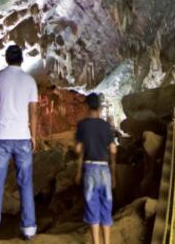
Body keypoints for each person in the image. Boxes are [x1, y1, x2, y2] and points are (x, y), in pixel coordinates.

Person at [0, 45, 39, 240]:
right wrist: (33, 135)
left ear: (6, 59)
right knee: (25, 182)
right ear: (21, 60)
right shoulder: (30, 81)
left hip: (1, 136)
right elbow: (33, 112)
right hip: (22, 136)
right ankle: (29, 227)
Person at [74, 92, 117, 244]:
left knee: (92, 208)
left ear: (86, 106)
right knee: (106, 207)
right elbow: (113, 150)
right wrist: (113, 174)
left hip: (89, 169)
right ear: (99, 107)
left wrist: (78, 172)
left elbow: (79, 150)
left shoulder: (82, 125)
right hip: (104, 169)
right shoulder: (106, 126)